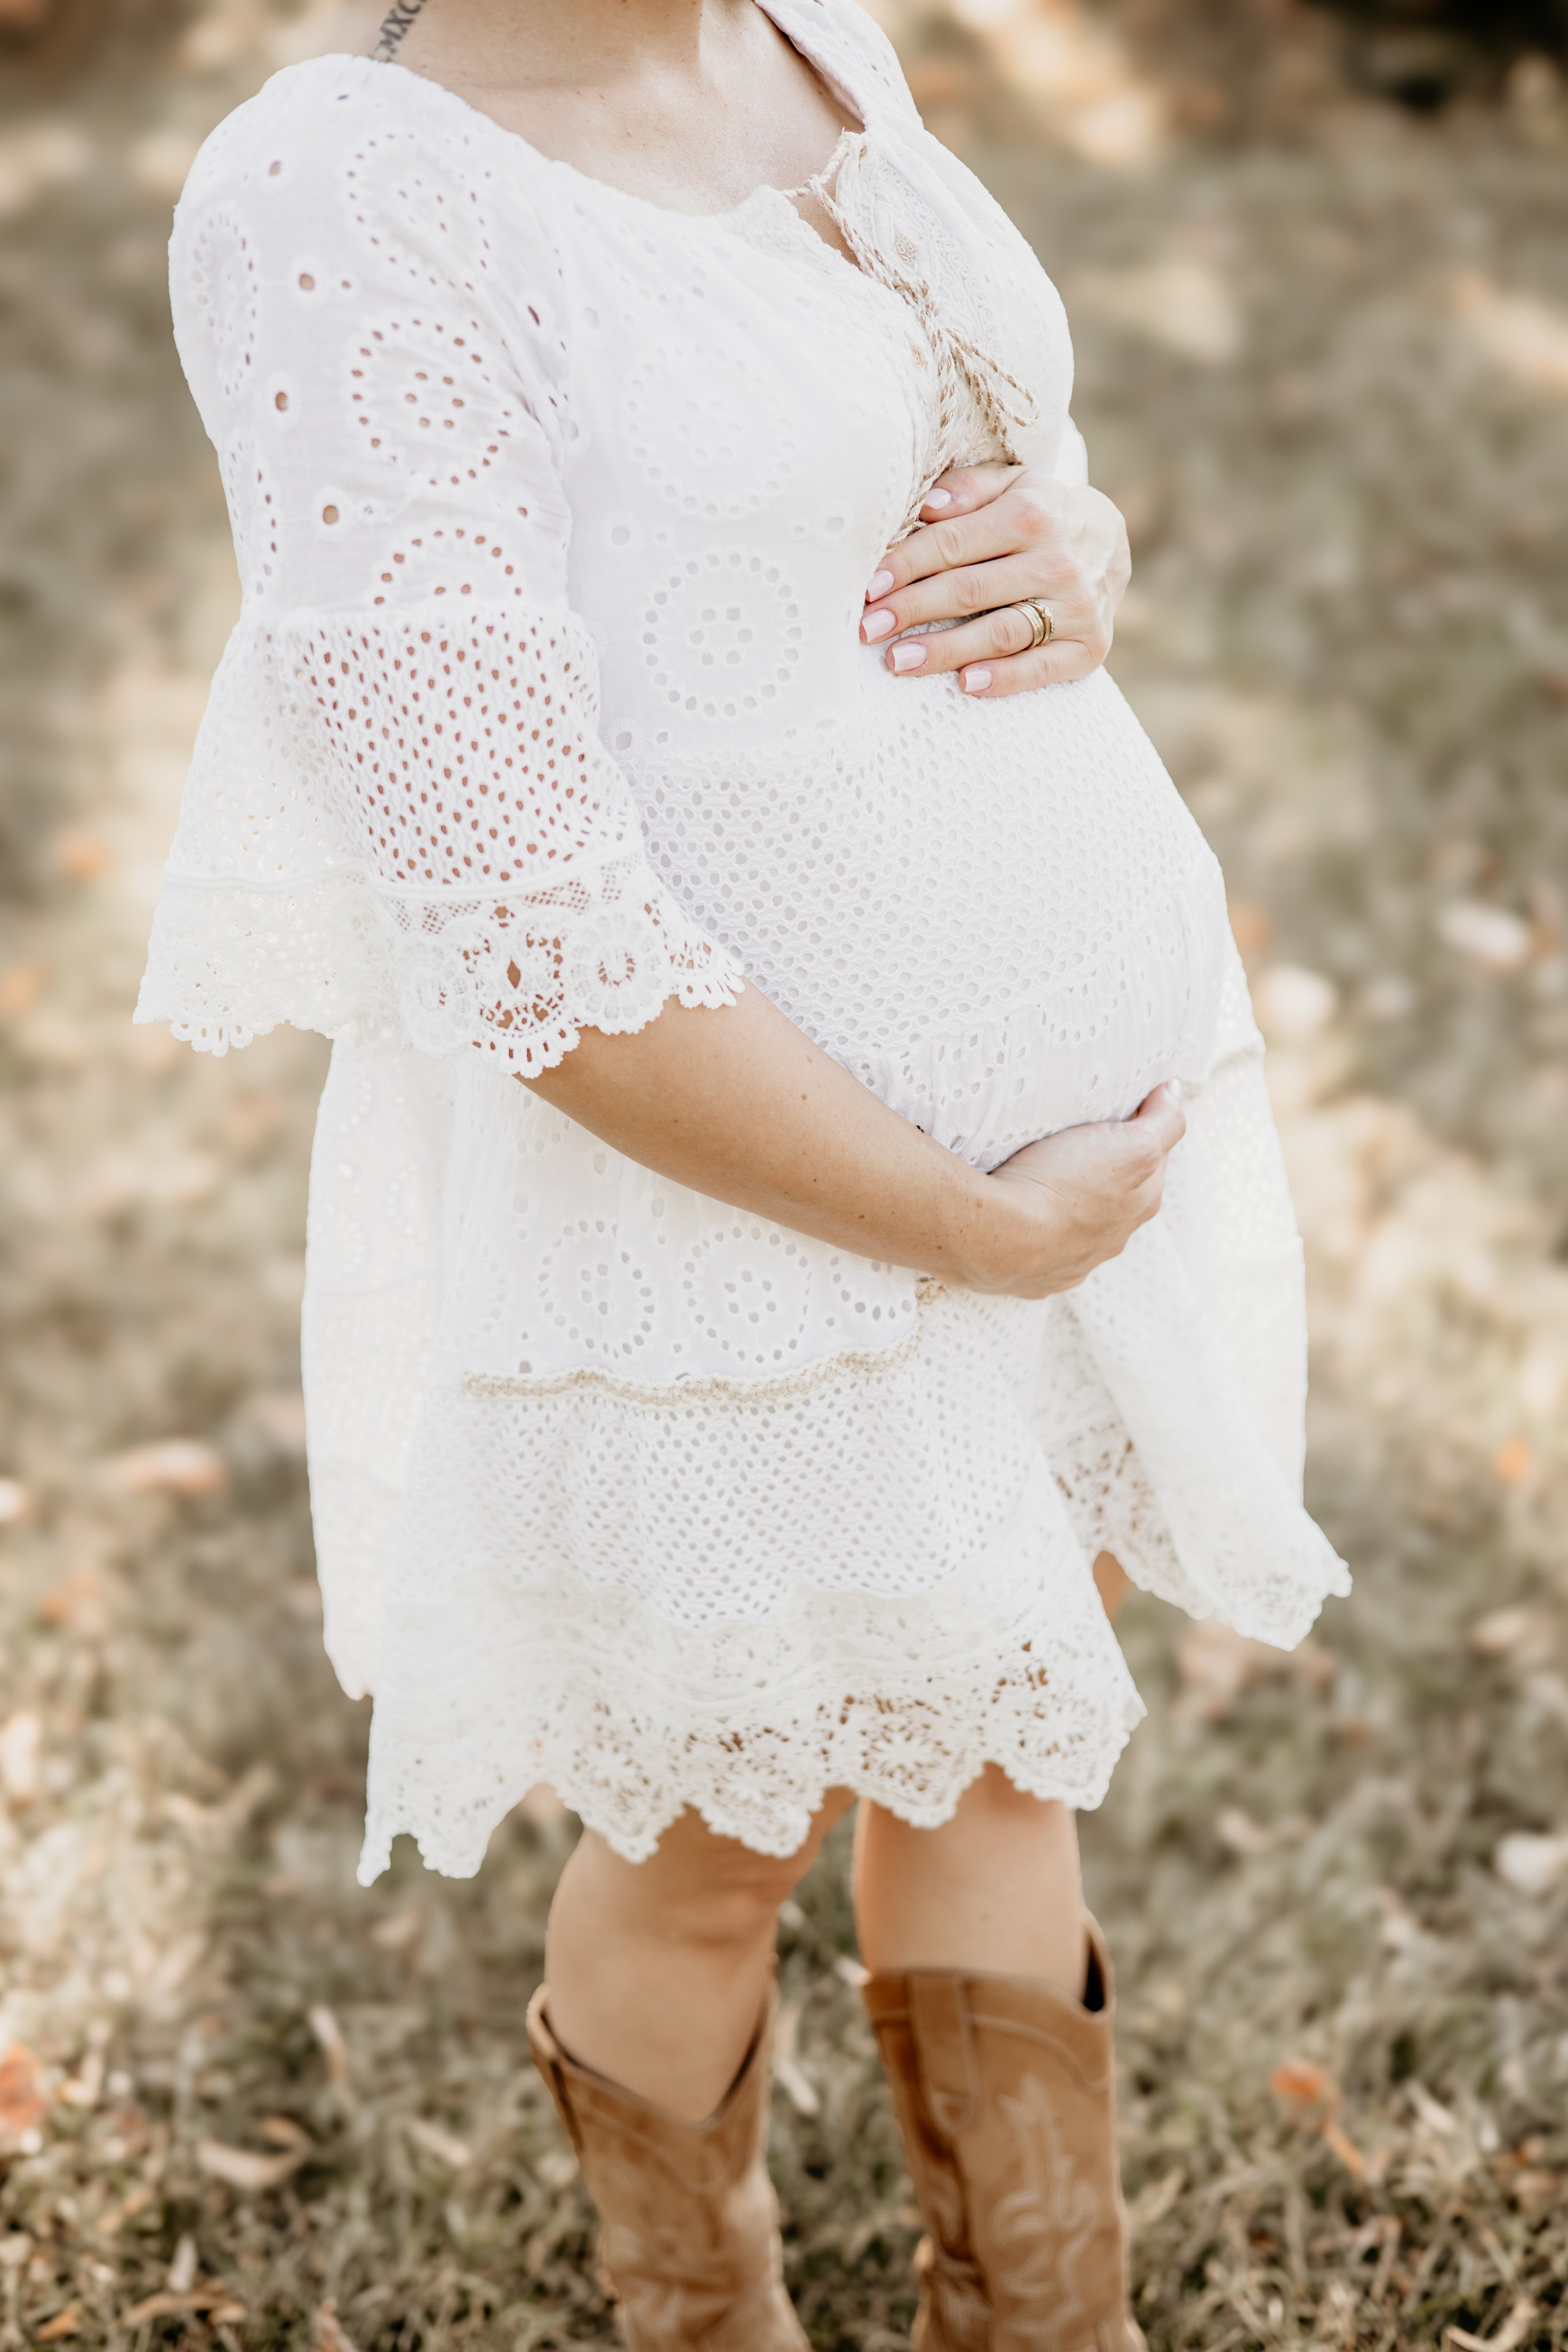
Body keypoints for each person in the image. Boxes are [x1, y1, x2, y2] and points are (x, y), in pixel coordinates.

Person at [138, 0, 1349, 2340]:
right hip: (734, 1235)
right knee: (709, 1851)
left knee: (997, 1763)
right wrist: (972, 1227)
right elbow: (519, 920)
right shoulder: (341, 202)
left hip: (1055, 1180)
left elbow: (949, 450)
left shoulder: (804, 27)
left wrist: (1074, 540)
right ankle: (700, 2317)